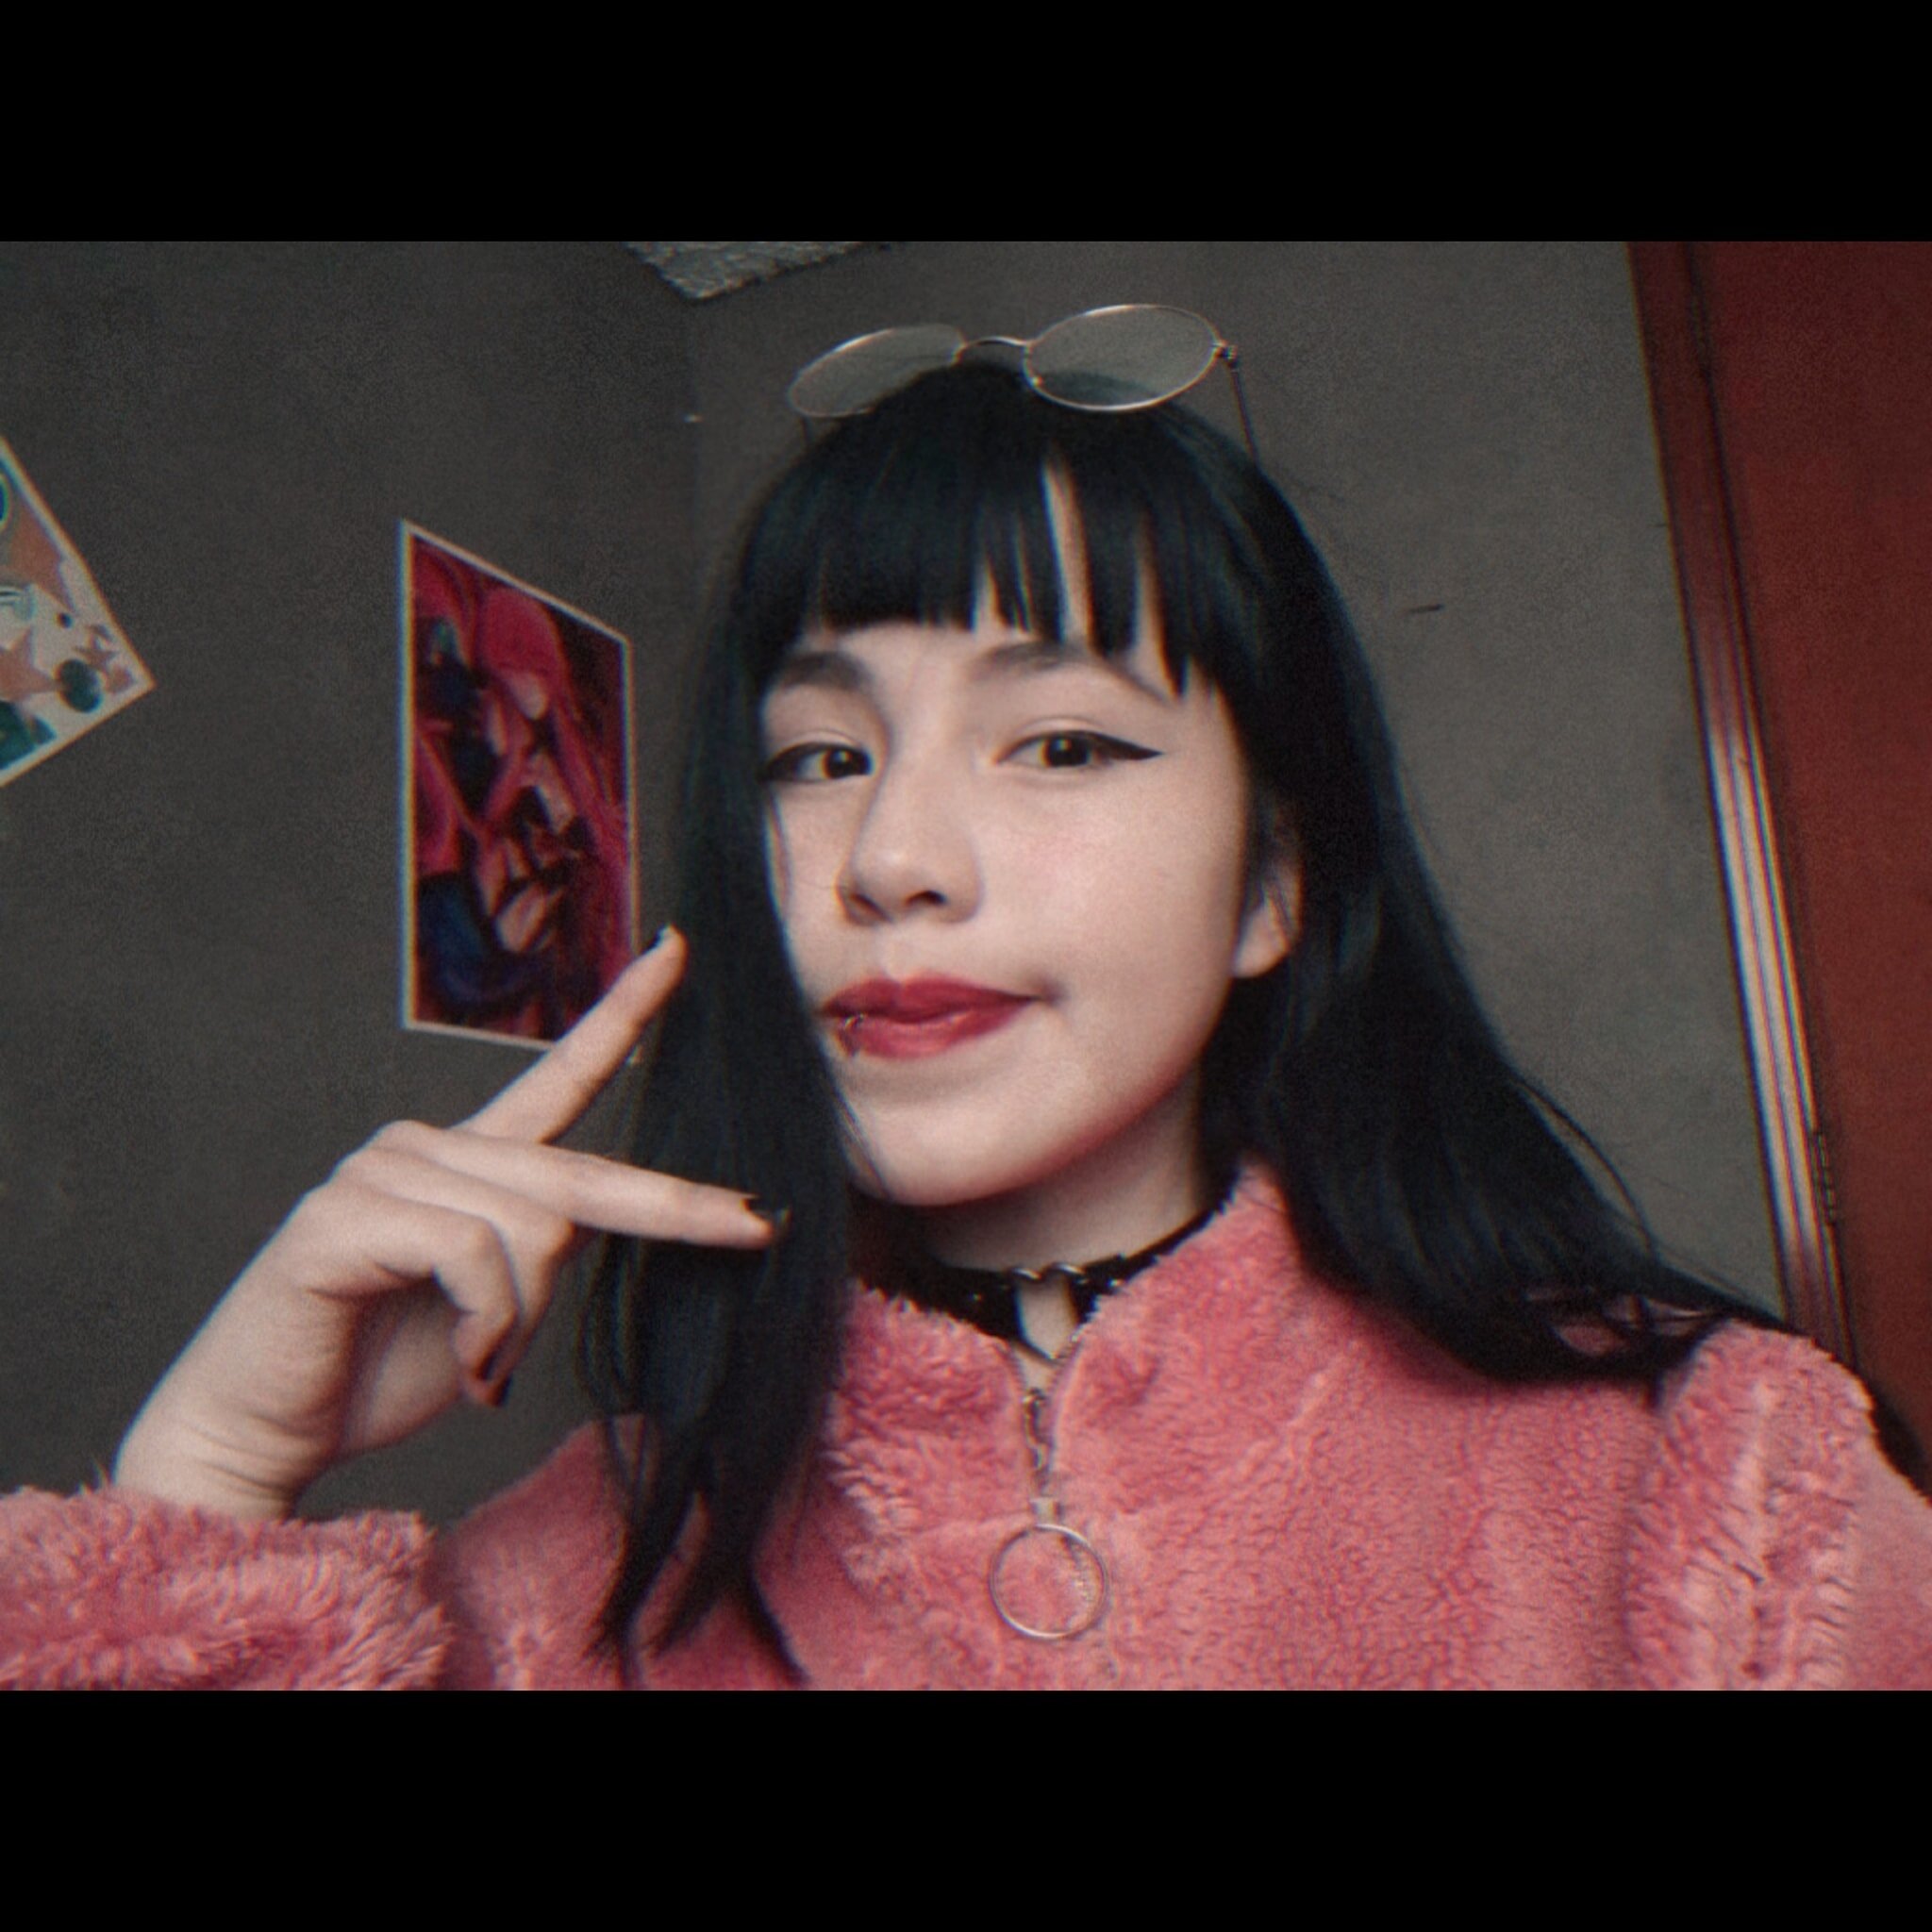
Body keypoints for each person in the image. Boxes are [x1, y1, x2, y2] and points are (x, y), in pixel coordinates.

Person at [8, 319, 1932, 1690]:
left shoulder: (1714, 1481)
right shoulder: (565, 1586)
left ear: (1273, 884)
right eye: (818, 758)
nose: (892, 858)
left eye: (1063, 741)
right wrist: (210, 1483)